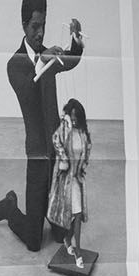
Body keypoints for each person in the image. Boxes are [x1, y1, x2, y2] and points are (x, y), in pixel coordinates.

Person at [0, 0, 84, 252]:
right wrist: (42, 61)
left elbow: (71, 61)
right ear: (24, 25)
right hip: (38, 154)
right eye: (35, 27)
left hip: (57, 152)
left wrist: (76, 41)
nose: (40, 33)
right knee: (34, 242)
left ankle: (51, 215)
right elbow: (28, 91)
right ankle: (9, 206)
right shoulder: (15, 64)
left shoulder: (46, 54)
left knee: (60, 234)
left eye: (43, 26)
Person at [46, 98, 92, 260]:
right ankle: (78, 250)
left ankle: (68, 239)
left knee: (77, 215)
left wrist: (83, 166)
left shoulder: (83, 133)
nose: (73, 118)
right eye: (71, 115)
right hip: (66, 180)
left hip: (77, 179)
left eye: (76, 115)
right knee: (76, 215)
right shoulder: (65, 130)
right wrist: (63, 159)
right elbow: (55, 140)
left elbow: (87, 150)